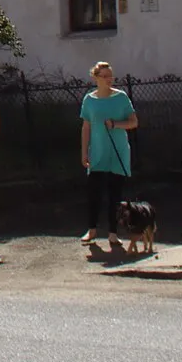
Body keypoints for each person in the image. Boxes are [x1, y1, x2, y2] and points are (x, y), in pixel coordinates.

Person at [79, 61, 138, 247]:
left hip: (118, 150)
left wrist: (116, 124)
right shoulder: (89, 100)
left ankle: (113, 233)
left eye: (110, 76)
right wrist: (84, 152)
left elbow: (134, 122)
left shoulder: (121, 98)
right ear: (96, 78)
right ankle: (92, 229)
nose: (108, 79)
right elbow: (86, 127)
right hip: (97, 152)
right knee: (94, 193)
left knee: (115, 194)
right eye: (104, 76)